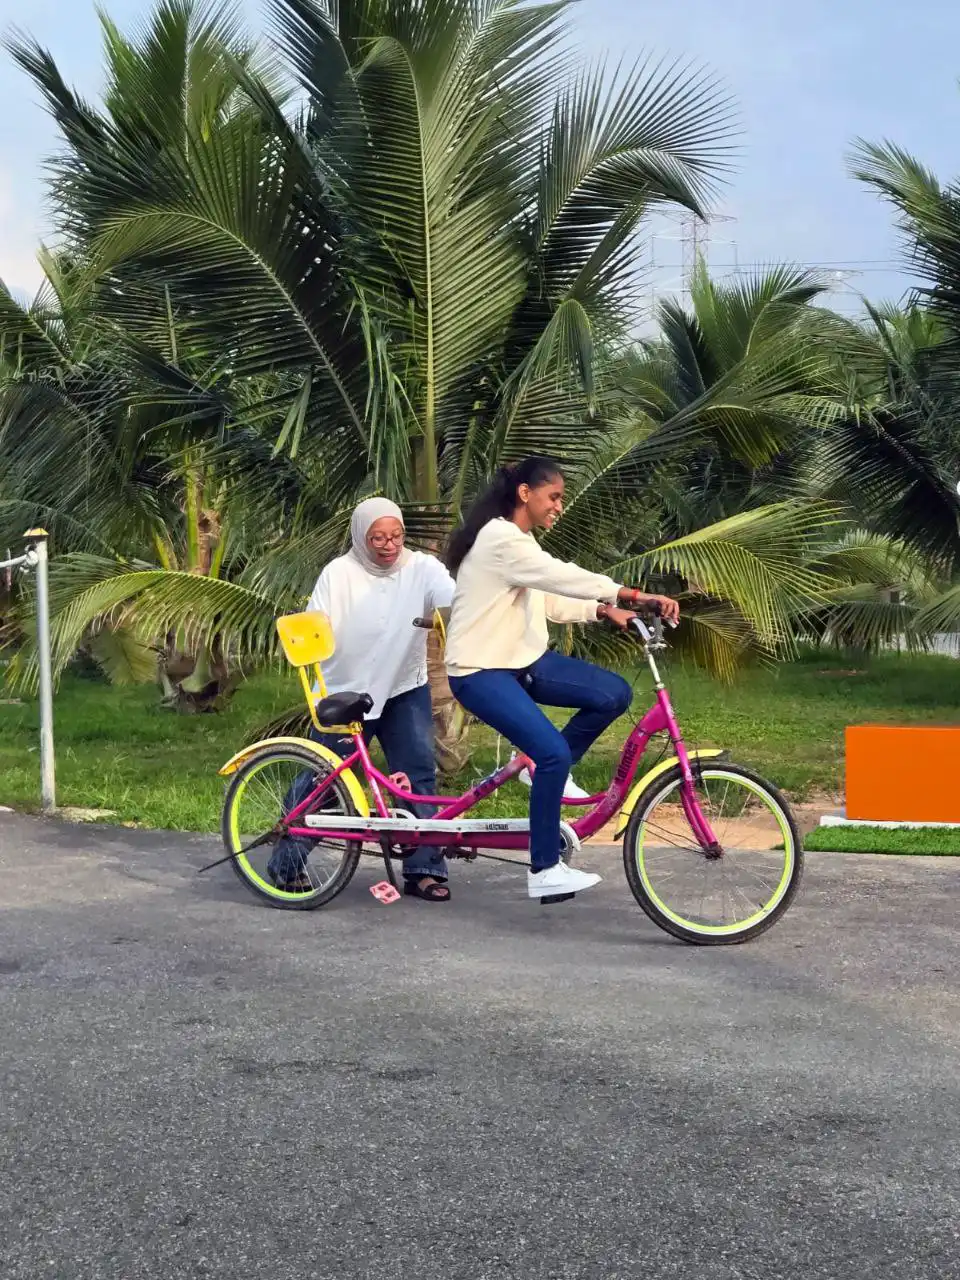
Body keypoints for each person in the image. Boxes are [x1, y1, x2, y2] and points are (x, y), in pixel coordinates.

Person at [443, 457, 679, 900]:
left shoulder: (518, 542)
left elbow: (547, 599)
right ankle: (544, 867)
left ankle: (545, 773)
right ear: (525, 494)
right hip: (479, 670)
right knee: (549, 753)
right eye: (553, 497)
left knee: (612, 693)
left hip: (520, 662)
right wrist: (627, 593)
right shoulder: (500, 539)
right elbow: (561, 576)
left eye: (561, 500)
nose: (559, 507)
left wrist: (605, 611)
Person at [267, 497, 457, 901]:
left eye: (396, 536)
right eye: (377, 538)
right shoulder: (339, 574)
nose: (389, 546)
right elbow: (313, 630)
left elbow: (453, 600)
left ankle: (424, 869)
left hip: (404, 687)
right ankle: (285, 864)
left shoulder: (422, 568)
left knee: (418, 776)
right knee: (325, 780)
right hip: (346, 693)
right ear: (360, 537)